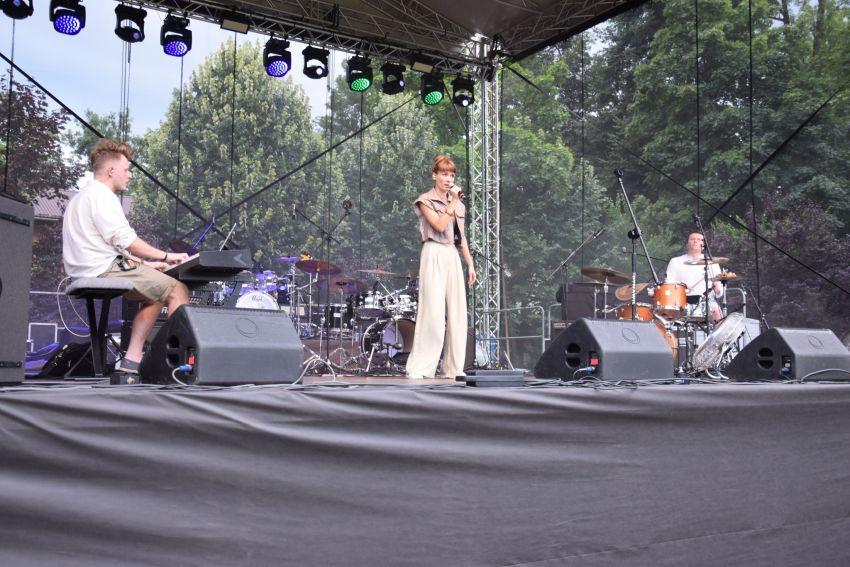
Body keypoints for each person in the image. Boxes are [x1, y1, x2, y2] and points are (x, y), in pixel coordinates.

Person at [62, 139, 190, 373]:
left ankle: (132, 360)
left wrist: (145, 264)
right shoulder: (103, 196)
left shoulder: (81, 197)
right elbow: (127, 241)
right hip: (103, 270)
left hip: (88, 270)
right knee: (177, 290)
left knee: (156, 292)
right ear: (111, 171)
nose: (130, 175)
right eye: (126, 169)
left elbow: (105, 246)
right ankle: (171, 364)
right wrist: (166, 256)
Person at [405, 155, 476, 379]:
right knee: (433, 313)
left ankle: (453, 368)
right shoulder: (425, 200)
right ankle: (420, 367)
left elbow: (461, 237)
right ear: (434, 175)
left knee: (457, 313)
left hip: (452, 254)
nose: (449, 179)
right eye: (444, 174)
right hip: (433, 251)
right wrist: (453, 202)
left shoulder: (459, 206)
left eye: (452, 175)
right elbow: (438, 225)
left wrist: (470, 264)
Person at [664, 232, 724, 322]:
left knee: (717, 313)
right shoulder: (675, 261)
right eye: (692, 239)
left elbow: (719, 293)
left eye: (699, 239)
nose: (695, 241)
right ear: (687, 244)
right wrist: (682, 287)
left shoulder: (712, 262)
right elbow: (668, 284)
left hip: (706, 302)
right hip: (681, 301)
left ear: (703, 245)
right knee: (666, 315)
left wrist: (717, 287)